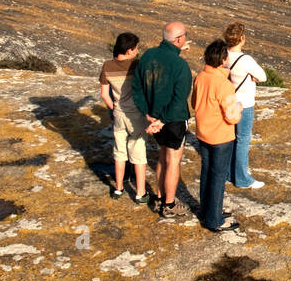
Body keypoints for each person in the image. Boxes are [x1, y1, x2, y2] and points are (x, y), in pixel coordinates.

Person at [129, 21, 193, 217]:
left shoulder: (148, 56)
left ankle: (158, 197)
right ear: (179, 39)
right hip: (172, 120)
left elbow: (137, 89)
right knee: (173, 160)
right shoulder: (181, 65)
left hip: (153, 116)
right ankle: (170, 204)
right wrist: (163, 120)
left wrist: (148, 114)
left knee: (162, 157)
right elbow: (179, 97)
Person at [189, 39, 243, 232]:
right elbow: (232, 117)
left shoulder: (201, 76)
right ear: (222, 60)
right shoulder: (223, 83)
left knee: (206, 173)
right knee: (218, 177)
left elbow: (195, 103)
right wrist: (239, 108)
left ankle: (208, 210)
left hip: (203, 134)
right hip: (221, 137)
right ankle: (215, 220)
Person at [98, 32, 148, 201]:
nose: (137, 51)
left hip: (118, 113)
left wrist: (114, 109)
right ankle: (140, 192)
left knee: (119, 151)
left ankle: (118, 188)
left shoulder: (107, 66)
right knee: (138, 151)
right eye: (136, 48)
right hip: (136, 115)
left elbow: (105, 94)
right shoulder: (137, 65)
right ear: (128, 50)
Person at [223, 22, 267, 189]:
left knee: (230, 140)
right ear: (242, 39)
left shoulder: (224, 56)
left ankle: (228, 173)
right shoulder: (245, 59)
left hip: (228, 102)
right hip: (245, 104)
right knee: (242, 140)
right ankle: (242, 178)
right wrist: (252, 77)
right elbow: (262, 76)